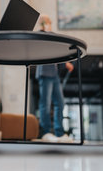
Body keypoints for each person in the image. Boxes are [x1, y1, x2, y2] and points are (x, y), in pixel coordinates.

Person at [35, 14, 74, 143]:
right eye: (47, 22)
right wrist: (44, 31)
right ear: (42, 24)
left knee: (60, 103)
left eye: (50, 22)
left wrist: (65, 63)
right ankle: (45, 133)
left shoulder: (52, 36)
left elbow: (57, 53)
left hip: (54, 74)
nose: (49, 24)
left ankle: (59, 133)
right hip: (44, 73)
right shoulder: (40, 36)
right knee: (45, 104)